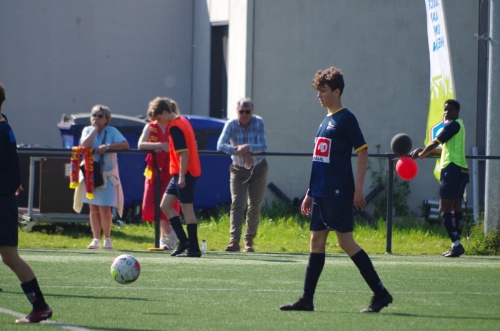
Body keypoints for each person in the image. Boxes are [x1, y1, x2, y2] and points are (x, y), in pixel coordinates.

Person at [280, 66, 392, 313]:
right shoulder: (326, 120)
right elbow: (320, 161)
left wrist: (358, 188)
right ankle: (307, 299)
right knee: (316, 241)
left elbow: (362, 150)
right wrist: (310, 192)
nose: (318, 95)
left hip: (338, 192)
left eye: (323, 91)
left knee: (346, 243)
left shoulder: (346, 118)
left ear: (337, 91)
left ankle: (381, 293)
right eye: (318, 91)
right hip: (320, 193)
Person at [0, 83, 53, 323]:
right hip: (5, 199)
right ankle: (39, 306)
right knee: (10, 257)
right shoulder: (3, 122)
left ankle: (40, 306)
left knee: (10, 257)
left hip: (1, 201)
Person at [411, 99, 469, 258]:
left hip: (452, 170)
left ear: (457, 111)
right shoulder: (459, 126)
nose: (446, 113)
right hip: (462, 171)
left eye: (450, 110)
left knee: (444, 210)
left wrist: (422, 154)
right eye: (445, 110)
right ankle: (455, 244)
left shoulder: (453, 125)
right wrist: (424, 151)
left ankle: (457, 244)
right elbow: (441, 149)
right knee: (456, 208)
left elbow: (436, 142)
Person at [148, 97, 202, 257]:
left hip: (185, 173)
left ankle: (194, 248)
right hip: (180, 172)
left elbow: (184, 153)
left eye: (159, 119)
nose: (159, 123)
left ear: (165, 112)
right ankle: (184, 241)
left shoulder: (175, 127)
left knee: (187, 209)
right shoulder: (182, 120)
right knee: (164, 205)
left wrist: (182, 177)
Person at [217, 98, 268, 252]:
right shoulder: (231, 124)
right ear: (237, 111)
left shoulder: (258, 122)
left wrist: (248, 148)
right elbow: (220, 145)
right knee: (237, 203)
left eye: (248, 112)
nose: (244, 115)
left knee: (254, 205)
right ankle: (234, 241)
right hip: (238, 168)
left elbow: (263, 146)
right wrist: (239, 151)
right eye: (241, 111)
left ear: (252, 111)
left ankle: (249, 241)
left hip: (258, 167)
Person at [75, 105, 129, 250]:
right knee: (93, 208)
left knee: (105, 209)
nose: (96, 118)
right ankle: (95, 239)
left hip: (107, 175)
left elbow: (125, 144)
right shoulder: (87, 129)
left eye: (100, 116)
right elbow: (84, 145)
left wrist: (108, 146)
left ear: (106, 119)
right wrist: (94, 129)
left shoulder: (112, 131)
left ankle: (107, 238)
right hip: (91, 174)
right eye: (94, 115)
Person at [138, 108, 181, 250]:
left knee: (168, 203)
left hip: (170, 168)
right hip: (153, 169)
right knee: (150, 203)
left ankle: (167, 235)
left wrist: (169, 147)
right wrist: (159, 145)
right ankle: (168, 234)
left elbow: (182, 145)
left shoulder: (174, 126)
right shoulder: (150, 127)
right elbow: (141, 144)